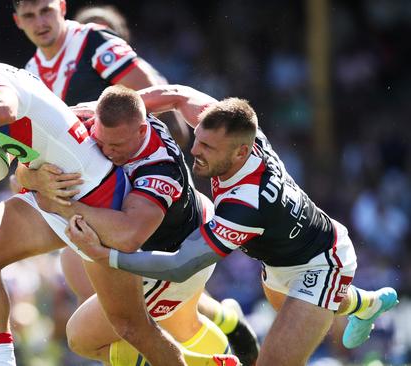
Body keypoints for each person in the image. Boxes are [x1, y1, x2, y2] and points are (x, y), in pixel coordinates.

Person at [0, 26, 235, 366]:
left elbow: (3, 109)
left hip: (96, 202)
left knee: (129, 329)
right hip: (57, 196)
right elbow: (13, 163)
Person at [66, 84, 399, 366]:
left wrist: (108, 258)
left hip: (320, 265)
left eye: (207, 148)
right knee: (320, 304)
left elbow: (181, 266)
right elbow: (178, 94)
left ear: (240, 153)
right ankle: (366, 304)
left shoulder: (244, 207)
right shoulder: (234, 129)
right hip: (281, 263)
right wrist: (104, 109)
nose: (195, 151)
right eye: (198, 139)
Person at [17, 85, 237, 365]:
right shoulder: (88, 119)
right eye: (101, 141)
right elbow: (20, 169)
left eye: (117, 146)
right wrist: (36, 180)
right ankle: (225, 354)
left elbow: (128, 235)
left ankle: (201, 363)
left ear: (142, 131)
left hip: (176, 259)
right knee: (180, 325)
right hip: (191, 227)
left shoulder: (160, 168)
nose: (107, 152)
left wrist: (60, 203)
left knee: (82, 337)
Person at [11, 0, 190, 146]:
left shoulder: (93, 41)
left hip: (130, 173)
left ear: (62, 7)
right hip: (85, 182)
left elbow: (168, 118)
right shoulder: (29, 73)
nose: (40, 23)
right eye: (29, 15)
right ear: (17, 21)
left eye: (46, 11)